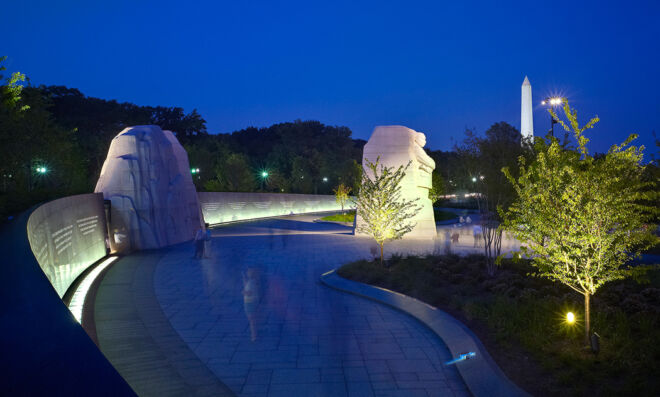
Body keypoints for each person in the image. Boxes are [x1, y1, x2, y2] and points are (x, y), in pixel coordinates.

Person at [242, 268, 260, 341]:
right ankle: (255, 332)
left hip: (249, 303)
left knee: (251, 320)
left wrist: (243, 292)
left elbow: (249, 293)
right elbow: (246, 285)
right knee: (254, 318)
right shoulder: (253, 281)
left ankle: (254, 336)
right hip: (254, 302)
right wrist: (244, 279)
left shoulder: (250, 284)